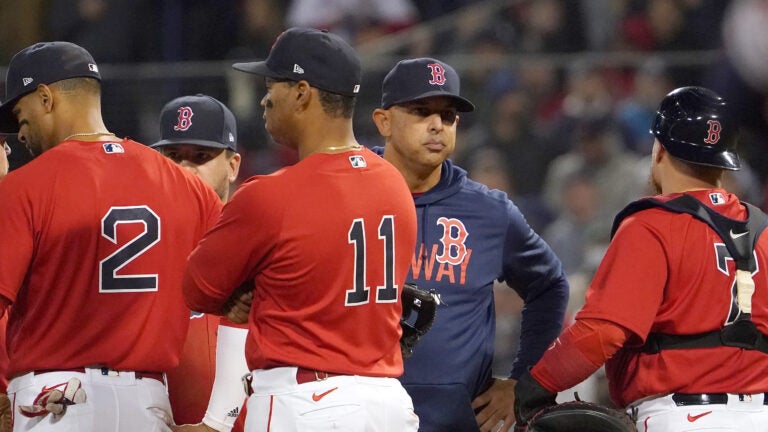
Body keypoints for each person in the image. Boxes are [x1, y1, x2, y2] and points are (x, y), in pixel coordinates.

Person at [182, 27, 420, 432]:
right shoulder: (393, 182)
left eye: (272, 84)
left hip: (308, 402)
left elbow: (197, 289)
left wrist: (246, 291)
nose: (264, 98)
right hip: (387, 404)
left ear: (302, 93)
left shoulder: (271, 195)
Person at [514, 86, 768, 432]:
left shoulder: (651, 225)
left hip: (683, 416)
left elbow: (600, 332)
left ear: (659, 149)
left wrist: (536, 385)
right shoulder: (764, 230)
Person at [0, 41, 222, 431]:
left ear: (45, 97)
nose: (20, 132)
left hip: (56, 403)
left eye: (21, 115)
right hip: (148, 404)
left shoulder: (23, 187)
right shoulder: (188, 186)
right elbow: (244, 304)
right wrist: (221, 418)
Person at [370, 57, 569, 432]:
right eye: (420, 111)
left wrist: (523, 381)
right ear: (383, 121)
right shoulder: (348, 193)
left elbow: (550, 286)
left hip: (456, 420)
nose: (436, 126)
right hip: (357, 411)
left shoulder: (488, 211)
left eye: (447, 116)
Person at [150, 94, 248, 432]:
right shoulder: (138, 250)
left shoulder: (256, 239)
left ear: (233, 165)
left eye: (201, 157)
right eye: (174, 156)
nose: (186, 169)